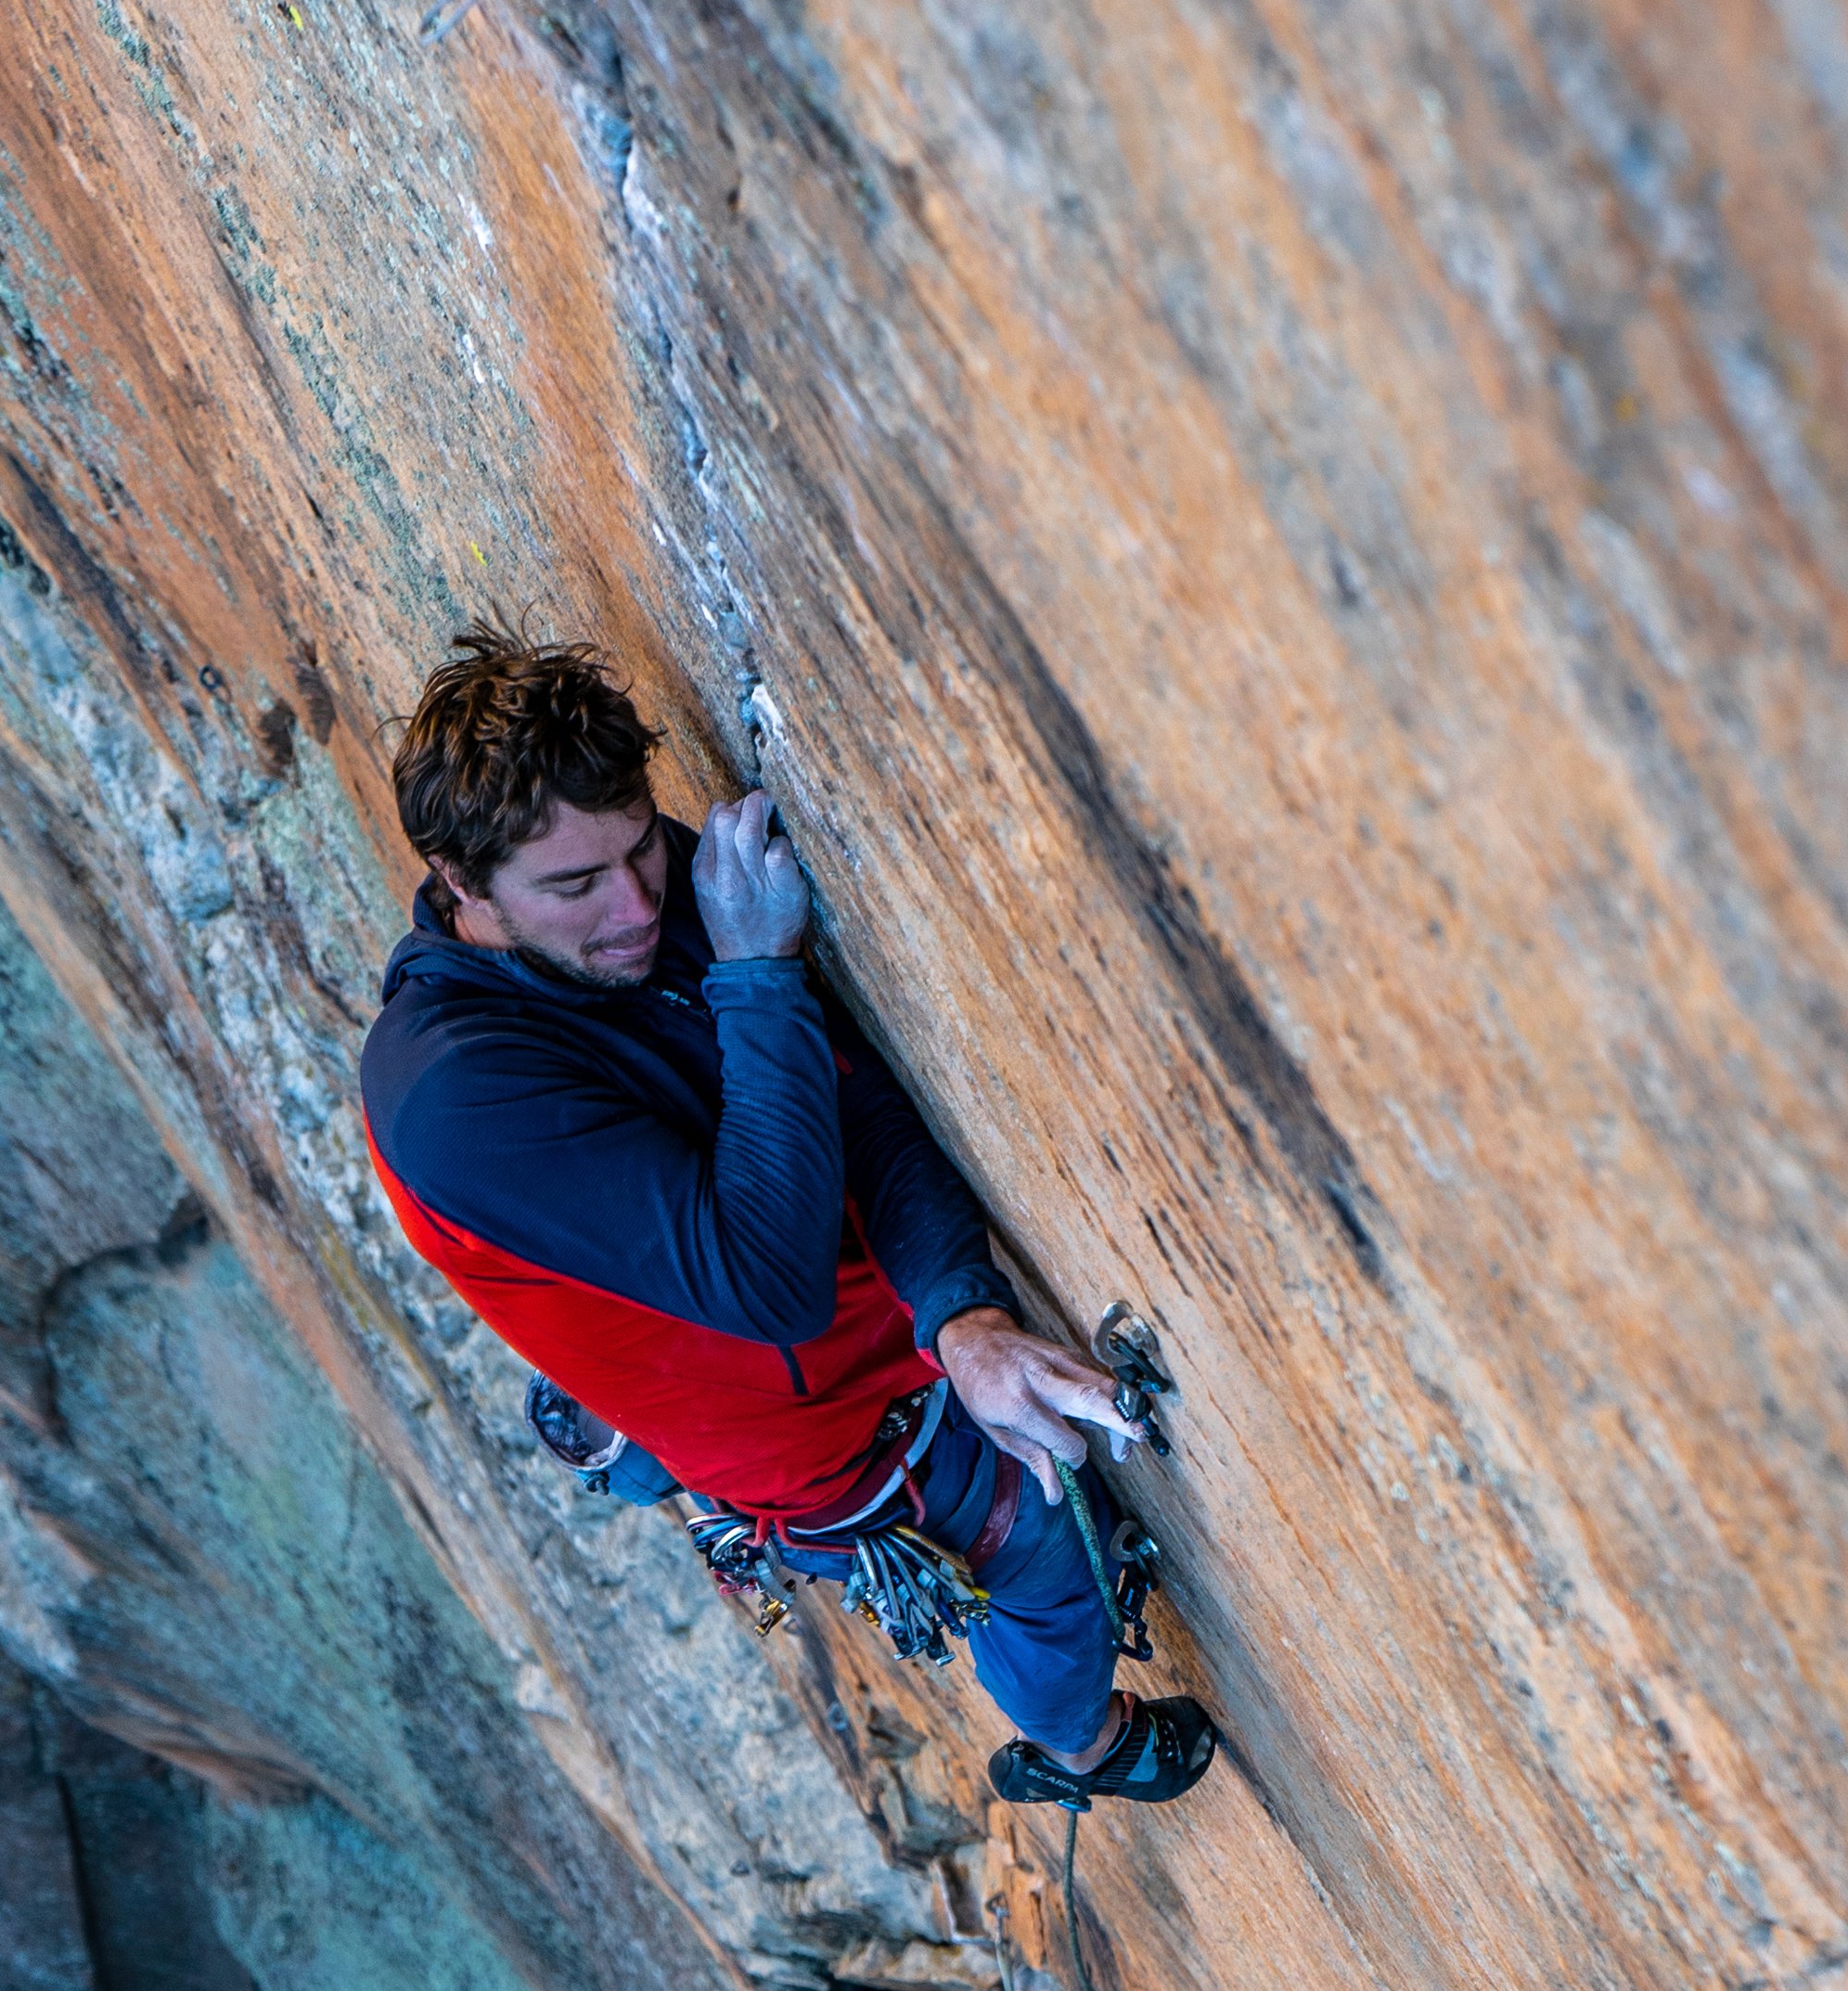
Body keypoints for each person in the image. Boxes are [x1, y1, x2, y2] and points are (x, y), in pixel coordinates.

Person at [359, 627, 1217, 1811]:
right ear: (461, 883)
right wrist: (756, 975)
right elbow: (771, 1285)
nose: (635, 908)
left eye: (637, 855)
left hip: (785, 1299)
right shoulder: (451, 1096)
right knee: (1040, 1542)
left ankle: (642, 1444)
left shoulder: (642, 882)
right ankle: (1082, 1749)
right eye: (575, 887)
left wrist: (960, 1317)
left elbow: (851, 1099)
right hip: (799, 1421)